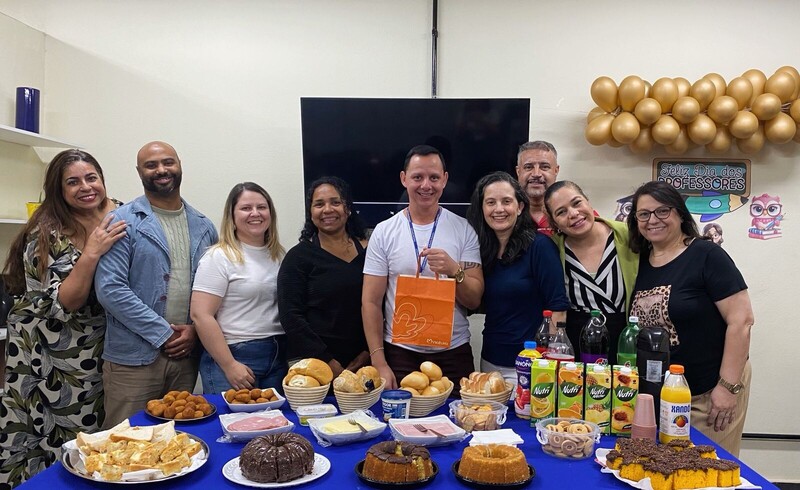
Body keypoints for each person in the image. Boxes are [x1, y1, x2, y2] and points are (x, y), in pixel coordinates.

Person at [0, 150, 125, 487]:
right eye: (73, 182)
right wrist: (92, 251)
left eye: (91, 178)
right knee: (67, 430)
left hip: (98, 338)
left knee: (98, 425)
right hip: (49, 344)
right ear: (59, 189)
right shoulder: (45, 233)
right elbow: (65, 301)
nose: (85, 187)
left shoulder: (122, 212)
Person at [95, 141, 218, 428]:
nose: (161, 170)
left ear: (179, 165)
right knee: (125, 444)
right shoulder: (120, 221)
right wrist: (163, 333)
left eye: (168, 162)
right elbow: (110, 289)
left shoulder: (204, 226)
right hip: (132, 360)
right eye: (151, 165)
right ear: (139, 172)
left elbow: (211, 292)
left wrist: (195, 332)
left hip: (185, 356)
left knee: (177, 442)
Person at [627, 181, 753, 457]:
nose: (653, 220)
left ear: (680, 214)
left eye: (662, 211)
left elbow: (741, 320)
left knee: (706, 469)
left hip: (709, 391)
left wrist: (728, 387)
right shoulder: (642, 263)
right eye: (644, 214)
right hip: (665, 396)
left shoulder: (706, 254)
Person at [363, 145, 484, 393]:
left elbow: (474, 300)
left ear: (445, 180)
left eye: (434, 177)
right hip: (400, 353)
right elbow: (371, 302)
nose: (426, 185)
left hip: (453, 352)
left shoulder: (463, 229)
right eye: (418, 177)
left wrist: (455, 270)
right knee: (398, 427)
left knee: (461, 423)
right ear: (404, 178)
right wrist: (379, 361)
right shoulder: (384, 232)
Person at [466, 172, 569, 383]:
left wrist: (546, 365)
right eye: (491, 202)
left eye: (506, 201)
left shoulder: (540, 247)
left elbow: (558, 309)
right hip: (490, 360)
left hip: (531, 363)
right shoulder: (481, 250)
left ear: (520, 207)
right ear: (482, 208)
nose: (499, 209)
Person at [190, 183, 287, 393]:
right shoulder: (219, 257)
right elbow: (200, 315)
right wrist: (229, 365)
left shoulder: (280, 256)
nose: (255, 213)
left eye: (261, 207)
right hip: (234, 356)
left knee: (275, 424)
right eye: (246, 208)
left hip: (278, 357)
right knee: (233, 425)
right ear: (232, 216)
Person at [278, 177, 369, 377]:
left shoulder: (371, 252)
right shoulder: (298, 257)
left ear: (348, 208)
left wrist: (367, 354)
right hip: (312, 368)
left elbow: (382, 306)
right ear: (311, 213)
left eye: (335, 202)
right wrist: (328, 363)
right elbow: (290, 317)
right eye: (319, 204)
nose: (327, 210)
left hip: (364, 364)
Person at [544, 181, 639, 362]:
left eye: (576, 203)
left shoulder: (627, 235)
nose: (573, 214)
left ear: (588, 202)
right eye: (561, 212)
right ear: (554, 222)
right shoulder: (552, 248)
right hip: (576, 348)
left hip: (625, 346)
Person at [515, 141, 560, 236]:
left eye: (544, 167)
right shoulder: (504, 214)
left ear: (556, 171)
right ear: (518, 172)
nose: (536, 174)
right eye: (528, 167)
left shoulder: (575, 212)